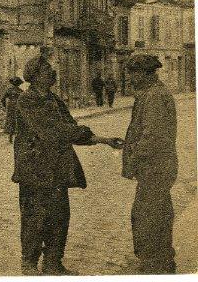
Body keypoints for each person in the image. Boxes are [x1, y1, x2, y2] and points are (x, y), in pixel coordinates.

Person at [12, 54, 121, 276]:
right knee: (34, 217)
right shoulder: (27, 101)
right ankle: (29, 263)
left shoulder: (54, 100)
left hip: (56, 170)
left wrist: (103, 140)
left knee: (59, 216)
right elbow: (53, 131)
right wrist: (82, 132)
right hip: (34, 170)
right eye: (48, 70)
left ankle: (53, 262)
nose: (53, 73)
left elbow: (70, 129)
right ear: (36, 75)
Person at [121, 54, 178, 274]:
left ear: (146, 74)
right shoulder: (151, 94)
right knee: (156, 212)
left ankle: (155, 263)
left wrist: (132, 161)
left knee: (148, 216)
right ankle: (160, 259)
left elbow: (152, 137)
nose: (131, 78)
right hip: (157, 167)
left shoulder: (154, 96)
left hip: (155, 167)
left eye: (134, 74)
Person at [1, 76, 24, 143]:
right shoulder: (20, 91)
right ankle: (18, 138)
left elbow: (2, 99)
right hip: (18, 107)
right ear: (19, 84)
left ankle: (10, 138)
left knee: (11, 121)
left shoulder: (9, 90)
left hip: (11, 107)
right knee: (18, 121)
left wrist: (5, 106)